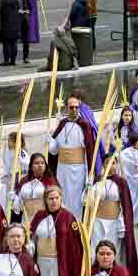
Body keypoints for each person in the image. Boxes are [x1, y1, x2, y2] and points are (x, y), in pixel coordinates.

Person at [47, 92, 96, 220]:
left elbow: (89, 152)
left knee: (76, 202)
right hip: (63, 169)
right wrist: (49, 141)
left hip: (78, 170)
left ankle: (76, 225)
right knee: (63, 198)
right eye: (71, 107)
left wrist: (90, 174)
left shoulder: (84, 125)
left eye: (76, 107)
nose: (74, 109)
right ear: (66, 108)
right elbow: (54, 151)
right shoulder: (62, 123)